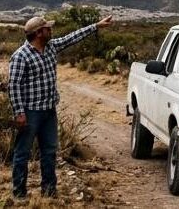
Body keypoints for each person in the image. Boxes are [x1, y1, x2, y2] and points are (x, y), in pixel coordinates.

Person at [8, 14, 113, 198]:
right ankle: (19, 194)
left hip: (49, 110)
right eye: (47, 28)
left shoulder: (51, 47)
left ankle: (49, 191)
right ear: (39, 33)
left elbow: (72, 37)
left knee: (49, 152)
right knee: (22, 153)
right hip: (30, 112)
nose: (51, 30)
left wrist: (96, 26)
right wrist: (19, 113)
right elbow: (14, 86)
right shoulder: (20, 56)